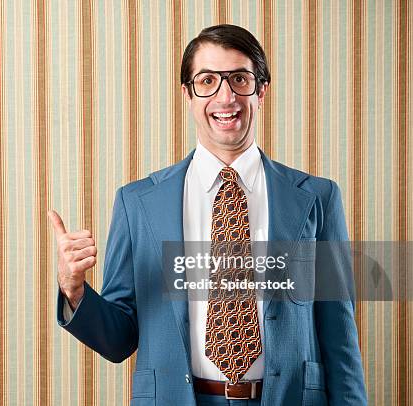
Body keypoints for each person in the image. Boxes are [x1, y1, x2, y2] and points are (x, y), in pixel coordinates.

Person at [49, 24, 367, 406]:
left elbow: (339, 335)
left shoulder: (317, 197)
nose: (226, 96)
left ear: (261, 91)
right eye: (208, 81)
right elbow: (119, 341)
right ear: (187, 93)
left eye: (239, 79)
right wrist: (75, 290)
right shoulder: (137, 203)